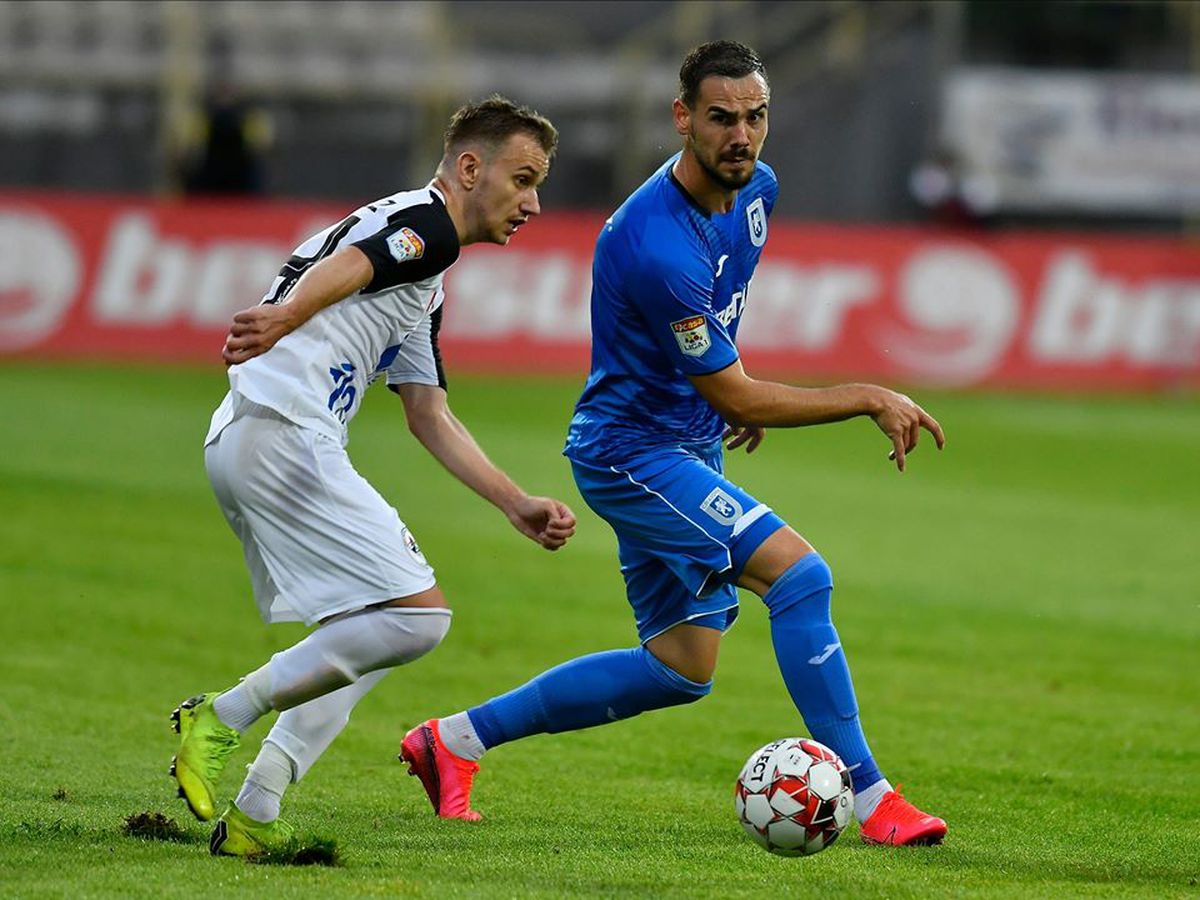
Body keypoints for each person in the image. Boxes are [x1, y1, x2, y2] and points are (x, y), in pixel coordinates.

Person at [401, 42, 949, 847]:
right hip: (631, 454)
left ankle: (453, 743)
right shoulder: (655, 242)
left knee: (681, 668)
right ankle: (871, 796)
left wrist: (724, 393)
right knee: (801, 579)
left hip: (685, 443)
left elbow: (719, 343)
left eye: (756, 117)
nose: (742, 136)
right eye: (722, 117)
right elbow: (727, 380)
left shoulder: (756, 190)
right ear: (682, 117)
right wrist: (863, 394)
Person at [169, 96, 577, 857]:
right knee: (418, 620)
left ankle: (257, 811)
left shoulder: (424, 269)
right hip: (284, 431)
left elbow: (428, 413)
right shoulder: (428, 226)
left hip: (247, 437)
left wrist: (514, 502)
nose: (533, 202)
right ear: (468, 167)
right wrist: (288, 318)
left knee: (367, 633)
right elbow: (352, 265)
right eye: (521, 179)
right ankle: (221, 716)